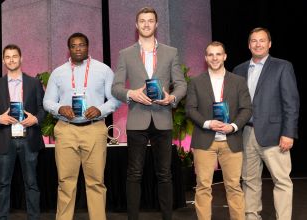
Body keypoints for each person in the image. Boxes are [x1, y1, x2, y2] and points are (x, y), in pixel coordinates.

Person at [111, 7, 187, 220]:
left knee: (165, 174)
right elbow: (116, 87)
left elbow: (180, 84)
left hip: (162, 118)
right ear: (136, 26)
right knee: (134, 174)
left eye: (150, 21)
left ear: (156, 24)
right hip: (137, 120)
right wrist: (131, 93)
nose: (146, 24)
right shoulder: (125, 54)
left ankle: (167, 217)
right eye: (142, 21)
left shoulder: (171, 52)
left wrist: (171, 98)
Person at [43, 32, 121, 220]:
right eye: (74, 45)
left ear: (88, 46)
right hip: (66, 130)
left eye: (81, 45)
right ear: (69, 49)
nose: (78, 48)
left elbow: (115, 99)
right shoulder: (58, 72)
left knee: (95, 182)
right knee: (65, 182)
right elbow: (47, 101)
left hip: (94, 129)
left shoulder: (103, 70)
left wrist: (100, 109)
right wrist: (60, 108)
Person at [233, 27, 299, 220]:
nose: (258, 44)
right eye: (254, 41)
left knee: (282, 181)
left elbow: (291, 103)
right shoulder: (239, 70)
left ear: (269, 44)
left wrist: (288, 133)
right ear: (248, 45)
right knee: (249, 181)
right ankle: (251, 217)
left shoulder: (282, 66)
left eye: (262, 40)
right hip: (246, 134)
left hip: (275, 135)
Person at [186, 41, 252, 220]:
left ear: (225, 56)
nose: (214, 58)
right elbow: (190, 109)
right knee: (203, 186)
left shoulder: (238, 81)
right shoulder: (195, 82)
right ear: (206, 58)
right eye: (210, 55)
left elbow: (246, 109)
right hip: (204, 140)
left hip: (232, 140)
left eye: (218, 54)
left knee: (234, 187)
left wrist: (233, 126)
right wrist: (207, 123)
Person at [0, 44, 46, 220]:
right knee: (3, 183)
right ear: (4, 60)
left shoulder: (34, 83)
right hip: (5, 139)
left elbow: (42, 109)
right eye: (8, 57)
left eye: (14, 56)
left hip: (29, 139)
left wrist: (35, 119)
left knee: (32, 183)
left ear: (21, 58)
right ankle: (2, 217)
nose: (11, 60)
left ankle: (33, 217)